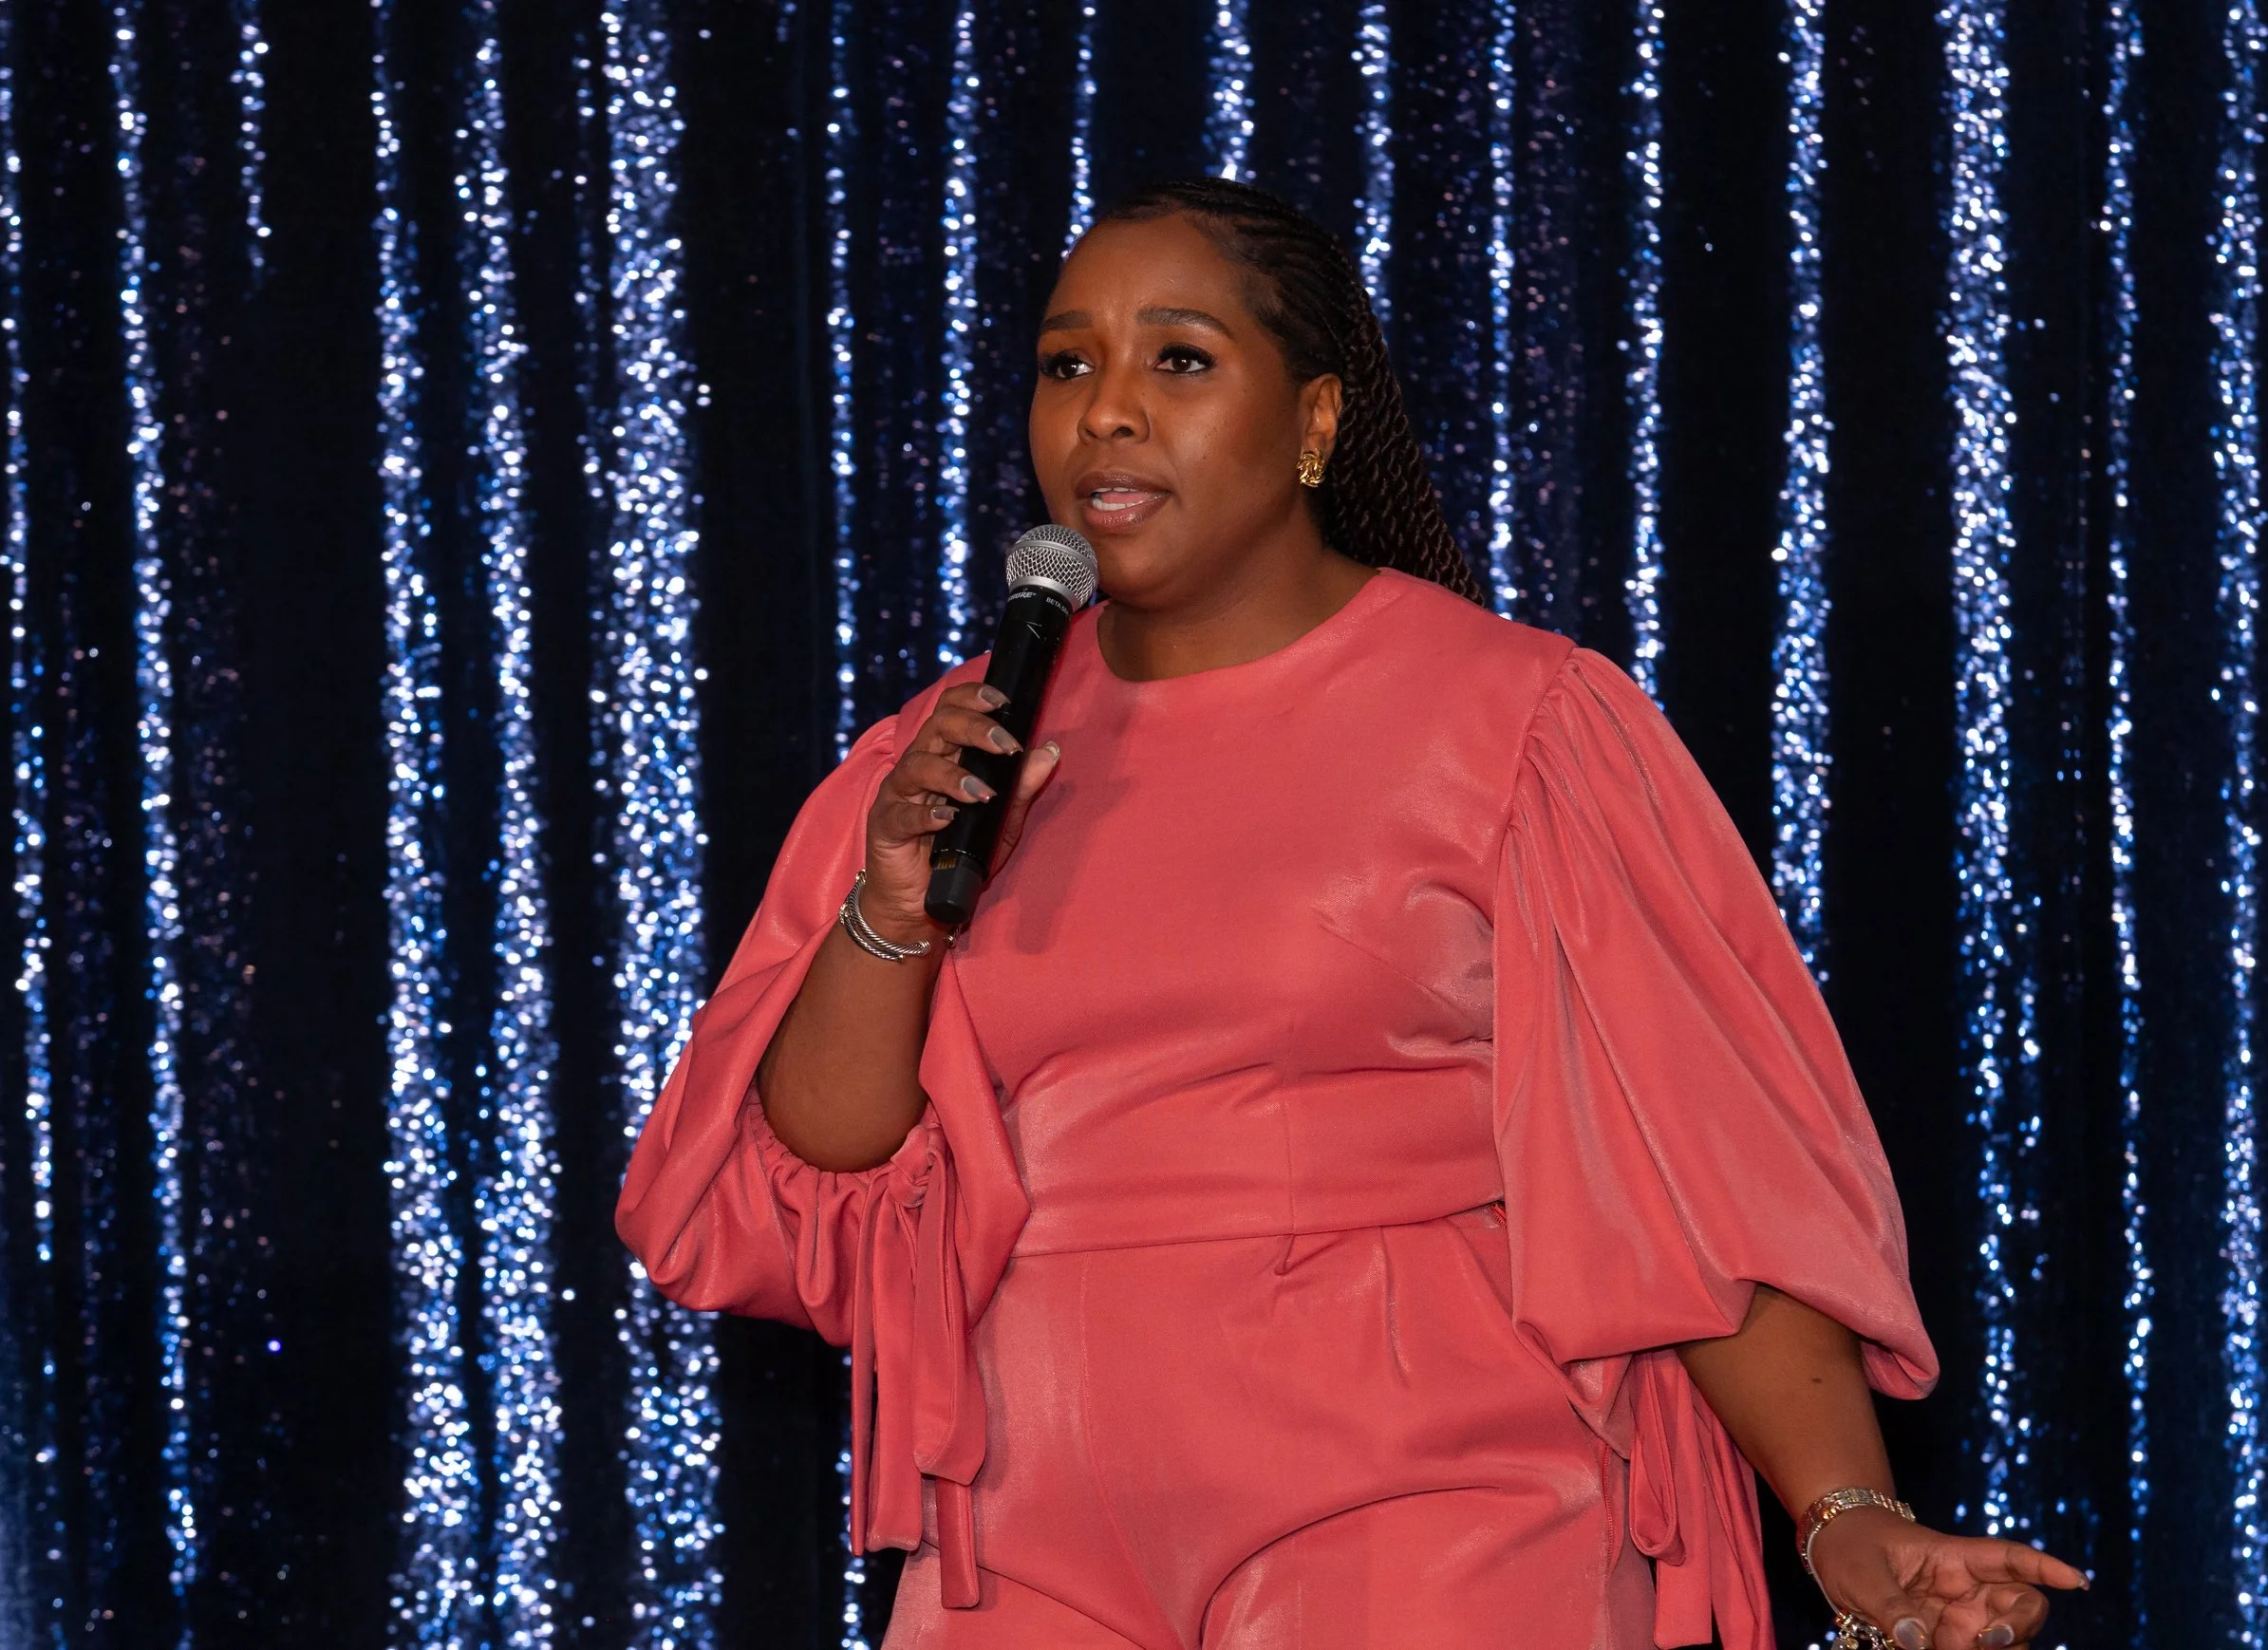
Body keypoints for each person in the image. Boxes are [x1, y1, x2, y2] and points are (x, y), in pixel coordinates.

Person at [616, 177, 2085, 1650]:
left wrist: (1845, 1515)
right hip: (1022, 1522)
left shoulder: (1513, 723)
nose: (1106, 414)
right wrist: (890, 905)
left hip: (1420, 1504)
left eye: (1177, 360)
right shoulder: (953, 748)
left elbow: (1693, 1175)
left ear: (1318, 420)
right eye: (1069, 365)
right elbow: (812, 1169)